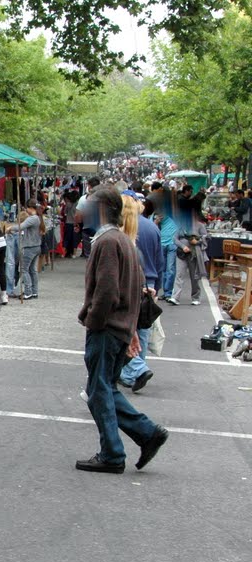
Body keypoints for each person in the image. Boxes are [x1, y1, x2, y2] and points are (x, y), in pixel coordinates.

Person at [76, 187, 169, 474]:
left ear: (102, 209)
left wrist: (93, 320)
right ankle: (145, 434)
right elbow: (131, 290)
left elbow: (107, 292)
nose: (83, 212)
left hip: (107, 328)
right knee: (101, 388)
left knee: (100, 390)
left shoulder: (108, 242)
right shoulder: (123, 241)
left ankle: (114, 453)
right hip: (118, 327)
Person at [119, 192, 164, 393]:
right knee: (143, 328)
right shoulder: (152, 228)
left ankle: (135, 369)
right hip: (149, 281)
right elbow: (160, 260)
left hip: (133, 282)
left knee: (126, 327)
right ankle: (138, 367)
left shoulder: (123, 232)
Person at [167, 195, 208, 306]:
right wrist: (182, 246)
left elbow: (206, 237)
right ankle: (175, 297)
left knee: (194, 276)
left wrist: (197, 241)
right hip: (182, 253)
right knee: (179, 275)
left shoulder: (200, 225)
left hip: (194, 253)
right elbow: (175, 238)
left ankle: (196, 297)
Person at [14, 199, 43, 300]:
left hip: (30, 247)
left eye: (26, 208)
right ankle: (34, 291)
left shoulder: (32, 218)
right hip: (36, 246)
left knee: (24, 270)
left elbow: (20, 226)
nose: (26, 210)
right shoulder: (38, 217)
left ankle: (28, 291)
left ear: (30, 208)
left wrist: (9, 229)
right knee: (32, 270)